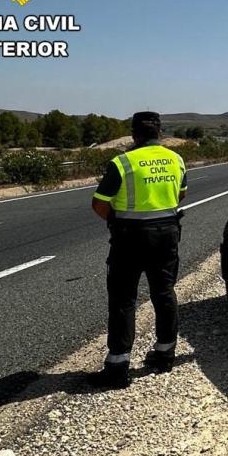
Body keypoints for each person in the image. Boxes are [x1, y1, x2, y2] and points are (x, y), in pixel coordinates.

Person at [88, 112, 187, 388]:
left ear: (134, 134)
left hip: (129, 237)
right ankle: (165, 355)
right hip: (166, 234)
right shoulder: (176, 159)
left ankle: (118, 368)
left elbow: (99, 204)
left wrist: (116, 219)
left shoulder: (122, 162)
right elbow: (181, 194)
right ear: (160, 132)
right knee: (164, 293)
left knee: (123, 299)